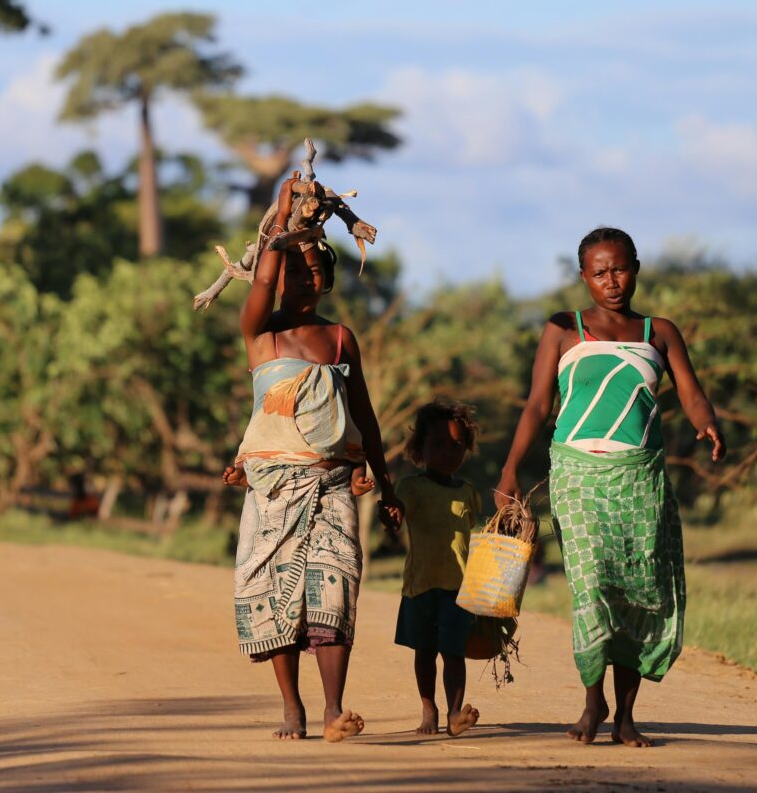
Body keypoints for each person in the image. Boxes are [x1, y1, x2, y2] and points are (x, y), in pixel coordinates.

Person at [496, 227, 724, 748]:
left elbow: (690, 393)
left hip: (641, 478)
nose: (611, 281)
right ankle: (592, 698)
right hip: (576, 474)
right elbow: (537, 406)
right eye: (599, 272)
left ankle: (624, 715)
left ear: (636, 268)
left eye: (619, 269)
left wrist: (707, 422)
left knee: (637, 594)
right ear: (584, 277)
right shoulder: (563, 329)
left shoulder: (659, 331)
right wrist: (511, 469)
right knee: (593, 584)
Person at [222, 172, 403, 743]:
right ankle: (292, 709)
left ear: (328, 279)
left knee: (336, 586)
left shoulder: (341, 339)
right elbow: (263, 279)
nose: (305, 277)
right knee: (278, 595)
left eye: (316, 270)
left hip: (333, 483)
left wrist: (386, 479)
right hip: (274, 488)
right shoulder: (262, 335)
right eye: (294, 270)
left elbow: (365, 414)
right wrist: (284, 214)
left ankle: (332, 708)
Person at [393, 398, 482, 738]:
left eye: (456, 446)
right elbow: (399, 512)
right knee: (425, 652)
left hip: (459, 589)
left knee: (454, 653)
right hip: (420, 586)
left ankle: (455, 713)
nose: (447, 452)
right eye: (438, 445)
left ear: (467, 449)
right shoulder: (411, 487)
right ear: (420, 449)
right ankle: (428, 707)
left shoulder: (469, 493)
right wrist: (392, 514)